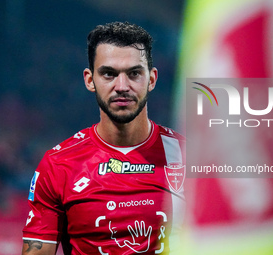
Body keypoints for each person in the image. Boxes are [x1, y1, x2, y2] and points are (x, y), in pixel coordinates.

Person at [22, 21, 186, 255]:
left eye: (134, 73)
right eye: (109, 74)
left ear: (151, 79)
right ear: (90, 80)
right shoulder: (58, 165)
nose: (122, 86)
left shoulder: (190, 156)